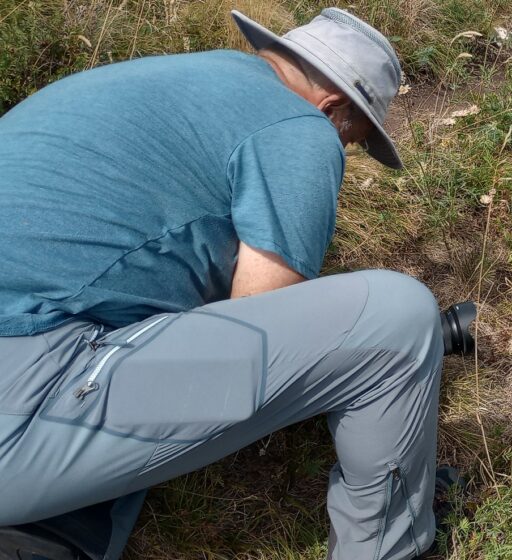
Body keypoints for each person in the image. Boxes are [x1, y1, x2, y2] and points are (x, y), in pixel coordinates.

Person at [0, 8, 444, 560]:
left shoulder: (164, 79)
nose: (345, 151)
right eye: (354, 139)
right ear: (336, 108)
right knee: (395, 320)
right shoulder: (299, 126)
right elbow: (253, 325)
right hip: (21, 388)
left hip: (30, 349)